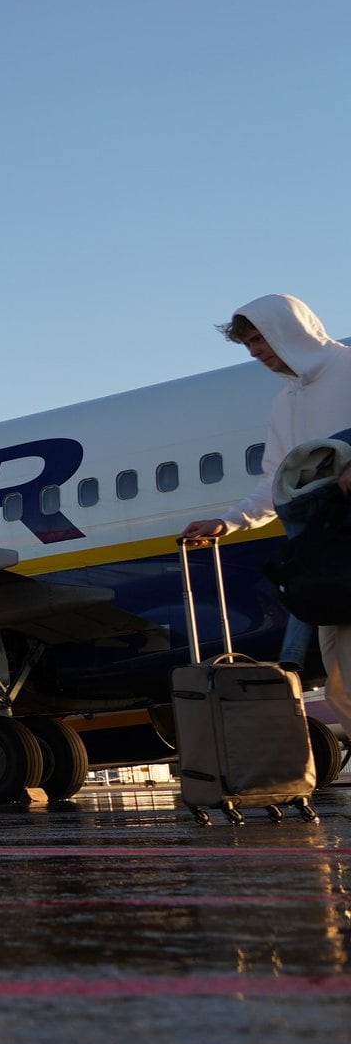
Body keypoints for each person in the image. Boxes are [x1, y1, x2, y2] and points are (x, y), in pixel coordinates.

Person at [181, 296, 351, 731]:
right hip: (331, 562)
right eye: (248, 344)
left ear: (291, 328)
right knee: (342, 683)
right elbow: (276, 483)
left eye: (259, 338)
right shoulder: (284, 404)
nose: (255, 351)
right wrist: (228, 522)